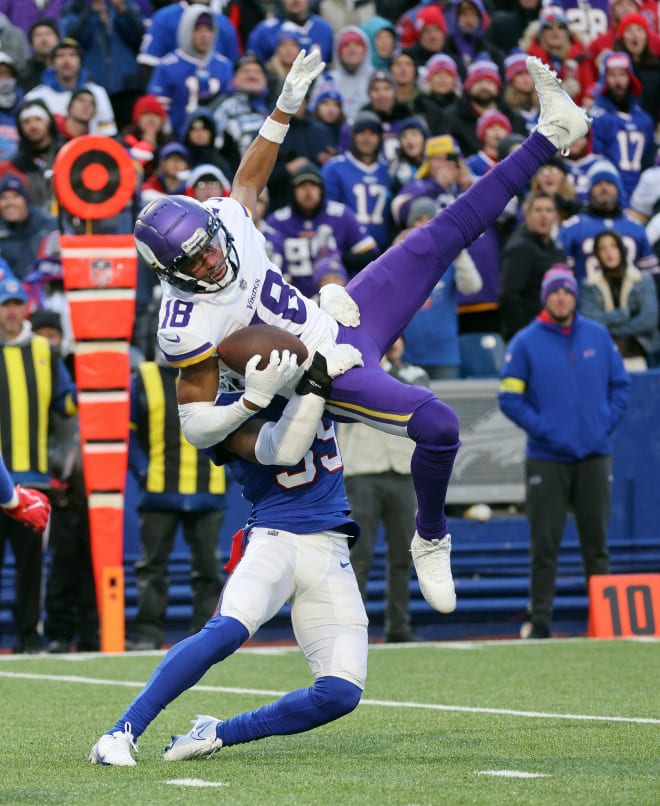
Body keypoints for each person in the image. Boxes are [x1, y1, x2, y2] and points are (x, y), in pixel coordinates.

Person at [132, 49, 592, 616]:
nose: (208, 263)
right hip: (321, 377)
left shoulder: (225, 219)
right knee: (441, 426)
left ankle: (551, 132)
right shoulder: (184, 323)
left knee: (441, 234)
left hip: (342, 317)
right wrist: (255, 397)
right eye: (193, 263)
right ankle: (431, 536)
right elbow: (196, 426)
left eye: (206, 248)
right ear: (170, 273)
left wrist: (284, 104)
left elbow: (249, 179)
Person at [90, 341, 367, 765]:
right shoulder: (217, 414)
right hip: (277, 537)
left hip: (330, 547)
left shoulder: (304, 368)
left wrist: (333, 356)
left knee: (341, 693)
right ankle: (119, 733)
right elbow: (280, 447)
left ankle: (215, 733)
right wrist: (292, 386)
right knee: (225, 632)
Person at [498, 265, 631, 639]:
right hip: (546, 457)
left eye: (567, 291)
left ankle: (604, 622)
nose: (562, 297)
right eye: (555, 291)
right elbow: (509, 397)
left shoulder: (599, 337)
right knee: (544, 545)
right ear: (546, 296)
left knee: (597, 545)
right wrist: (546, 430)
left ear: (575, 296)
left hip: (594, 454)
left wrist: (603, 423)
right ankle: (540, 622)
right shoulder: (525, 342)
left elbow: (621, 386)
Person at [127, 349, 229, 650]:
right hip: (159, 489)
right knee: (152, 566)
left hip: (207, 489)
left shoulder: (219, 372)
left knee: (208, 568)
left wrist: (229, 469)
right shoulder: (144, 377)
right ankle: (147, 634)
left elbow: (237, 423)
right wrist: (144, 471)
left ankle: (205, 638)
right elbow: (130, 433)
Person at [0, 275, 76, 653]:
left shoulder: (44, 353)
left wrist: (62, 460)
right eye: (5, 304)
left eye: (16, 304)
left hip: (31, 482)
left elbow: (66, 410)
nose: (11, 311)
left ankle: (29, 639)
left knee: (31, 569)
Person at [339, 336, 427, 643]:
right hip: (363, 471)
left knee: (403, 555)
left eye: (401, 335)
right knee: (358, 555)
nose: (395, 341)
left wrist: (386, 368)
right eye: (391, 335)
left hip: (402, 471)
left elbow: (416, 402)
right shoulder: (352, 370)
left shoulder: (415, 374)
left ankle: (399, 627)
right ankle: (351, 630)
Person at [263, 161, 378, 297]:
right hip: (292, 299)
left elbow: (371, 255)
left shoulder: (341, 215)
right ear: (292, 191)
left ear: (322, 189)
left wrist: (341, 259)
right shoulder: (277, 222)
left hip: (336, 297)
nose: (308, 191)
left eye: (313, 185)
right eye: (301, 186)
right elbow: (268, 262)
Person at [580, 229, 660, 370]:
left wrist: (614, 331)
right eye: (602, 248)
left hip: (643, 350)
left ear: (622, 250)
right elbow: (590, 319)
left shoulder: (643, 281)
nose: (608, 252)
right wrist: (623, 314)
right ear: (596, 254)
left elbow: (648, 320)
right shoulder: (589, 285)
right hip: (602, 352)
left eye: (613, 246)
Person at [499, 190, 566, 342]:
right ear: (526, 215)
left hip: (553, 332)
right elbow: (509, 296)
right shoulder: (520, 248)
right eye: (538, 210)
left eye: (549, 210)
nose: (544, 216)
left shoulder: (555, 248)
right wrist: (526, 335)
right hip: (531, 335)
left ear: (556, 216)